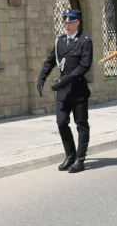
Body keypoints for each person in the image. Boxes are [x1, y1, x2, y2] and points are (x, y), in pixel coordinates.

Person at [36, 9, 93, 173]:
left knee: (81, 124)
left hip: (78, 90)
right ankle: (70, 155)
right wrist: (41, 78)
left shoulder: (84, 42)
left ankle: (80, 159)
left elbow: (84, 66)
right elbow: (50, 62)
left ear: (77, 23)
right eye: (65, 22)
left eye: (70, 22)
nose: (67, 25)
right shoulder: (59, 41)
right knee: (61, 123)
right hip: (63, 93)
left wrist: (64, 80)